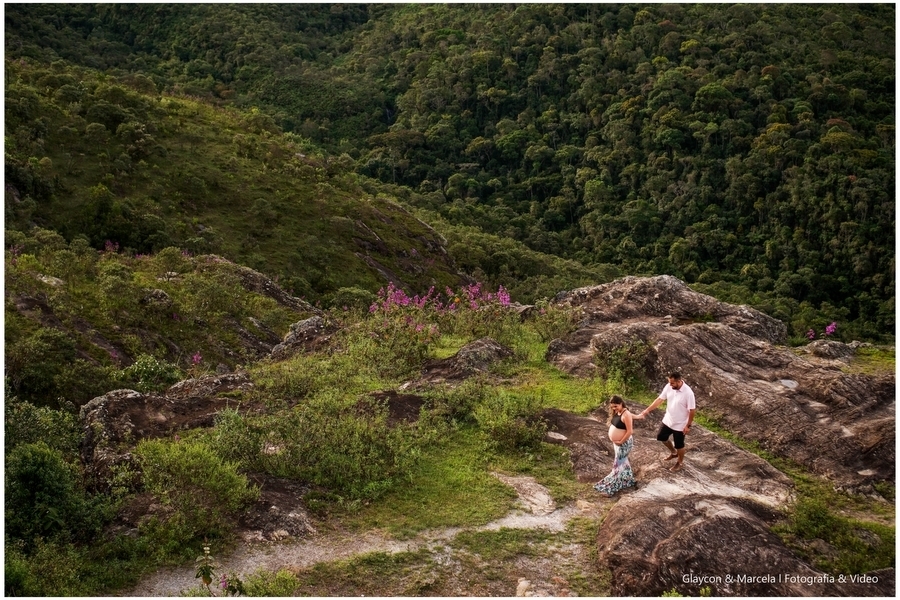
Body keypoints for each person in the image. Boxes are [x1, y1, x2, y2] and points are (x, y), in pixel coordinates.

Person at [635, 371, 696, 472]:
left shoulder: (688, 393)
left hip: (680, 424)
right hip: (668, 420)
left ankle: (680, 462)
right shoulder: (669, 386)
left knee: (679, 445)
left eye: (672, 383)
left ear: (679, 381)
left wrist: (688, 426)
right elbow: (660, 399)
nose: (670, 385)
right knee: (661, 437)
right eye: (669, 382)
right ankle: (673, 452)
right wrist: (647, 410)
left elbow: (692, 410)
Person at [593, 395, 637, 497]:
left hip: (624, 444)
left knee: (618, 466)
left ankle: (611, 489)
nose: (614, 408)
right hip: (617, 443)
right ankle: (629, 480)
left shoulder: (626, 414)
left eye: (616, 406)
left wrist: (621, 441)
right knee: (623, 462)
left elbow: (630, 431)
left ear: (621, 403)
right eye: (612, 407)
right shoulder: (618, 412)